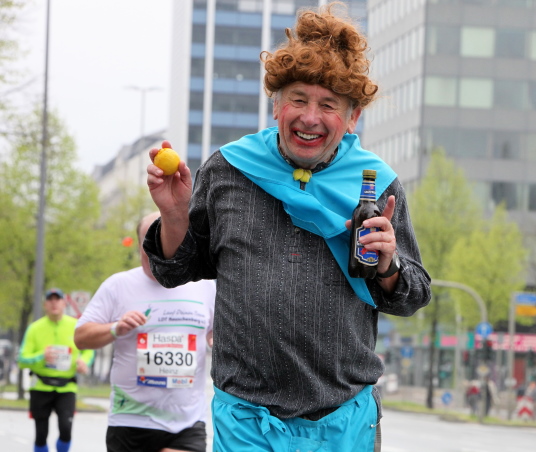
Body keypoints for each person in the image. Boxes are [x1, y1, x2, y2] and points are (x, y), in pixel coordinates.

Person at [144, 3, 431, 451]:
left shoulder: (377, 186)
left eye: (328, 105)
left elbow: (413, 296)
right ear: (276, 104)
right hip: (247, 419)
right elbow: (174, 270)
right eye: (298, 99)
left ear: (352, 118)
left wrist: (388, 265)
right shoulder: (228, 169)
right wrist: (175, 214)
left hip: (343, 419)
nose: (310, 117)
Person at [74, 212, 216, 452]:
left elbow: (215, 333)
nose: (158, 245)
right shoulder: (118, 285)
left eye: (166, 238)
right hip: (131, 419)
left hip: (187, 422)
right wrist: (116, 328)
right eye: (150, 239)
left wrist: (216, 340)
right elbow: (80, 338)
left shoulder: (204, 286)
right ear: (140, 244)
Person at [18, 288, 95, 452]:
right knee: (41, 434)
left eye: (57, 299)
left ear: (64, 303)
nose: (54, 303)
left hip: (66, 387)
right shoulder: (34, 328)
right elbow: (22, 359)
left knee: (66, 430)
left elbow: (89, 350)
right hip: (40, 386)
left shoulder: (75, 326)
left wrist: (84, 361)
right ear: (45, 304)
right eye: (50, 300)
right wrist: (41, 356)